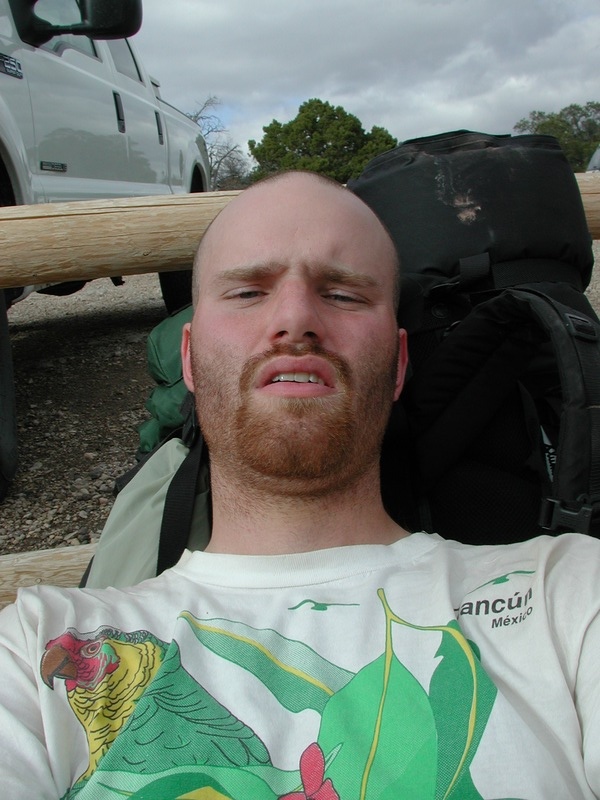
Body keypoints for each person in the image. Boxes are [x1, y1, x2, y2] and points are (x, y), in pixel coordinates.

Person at [0, 171, 599, 799]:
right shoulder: (36, 642)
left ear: (398, 364)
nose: (295, 319)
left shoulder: (566, 596)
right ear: (190, 358)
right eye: (248, 292)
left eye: (342, 294)